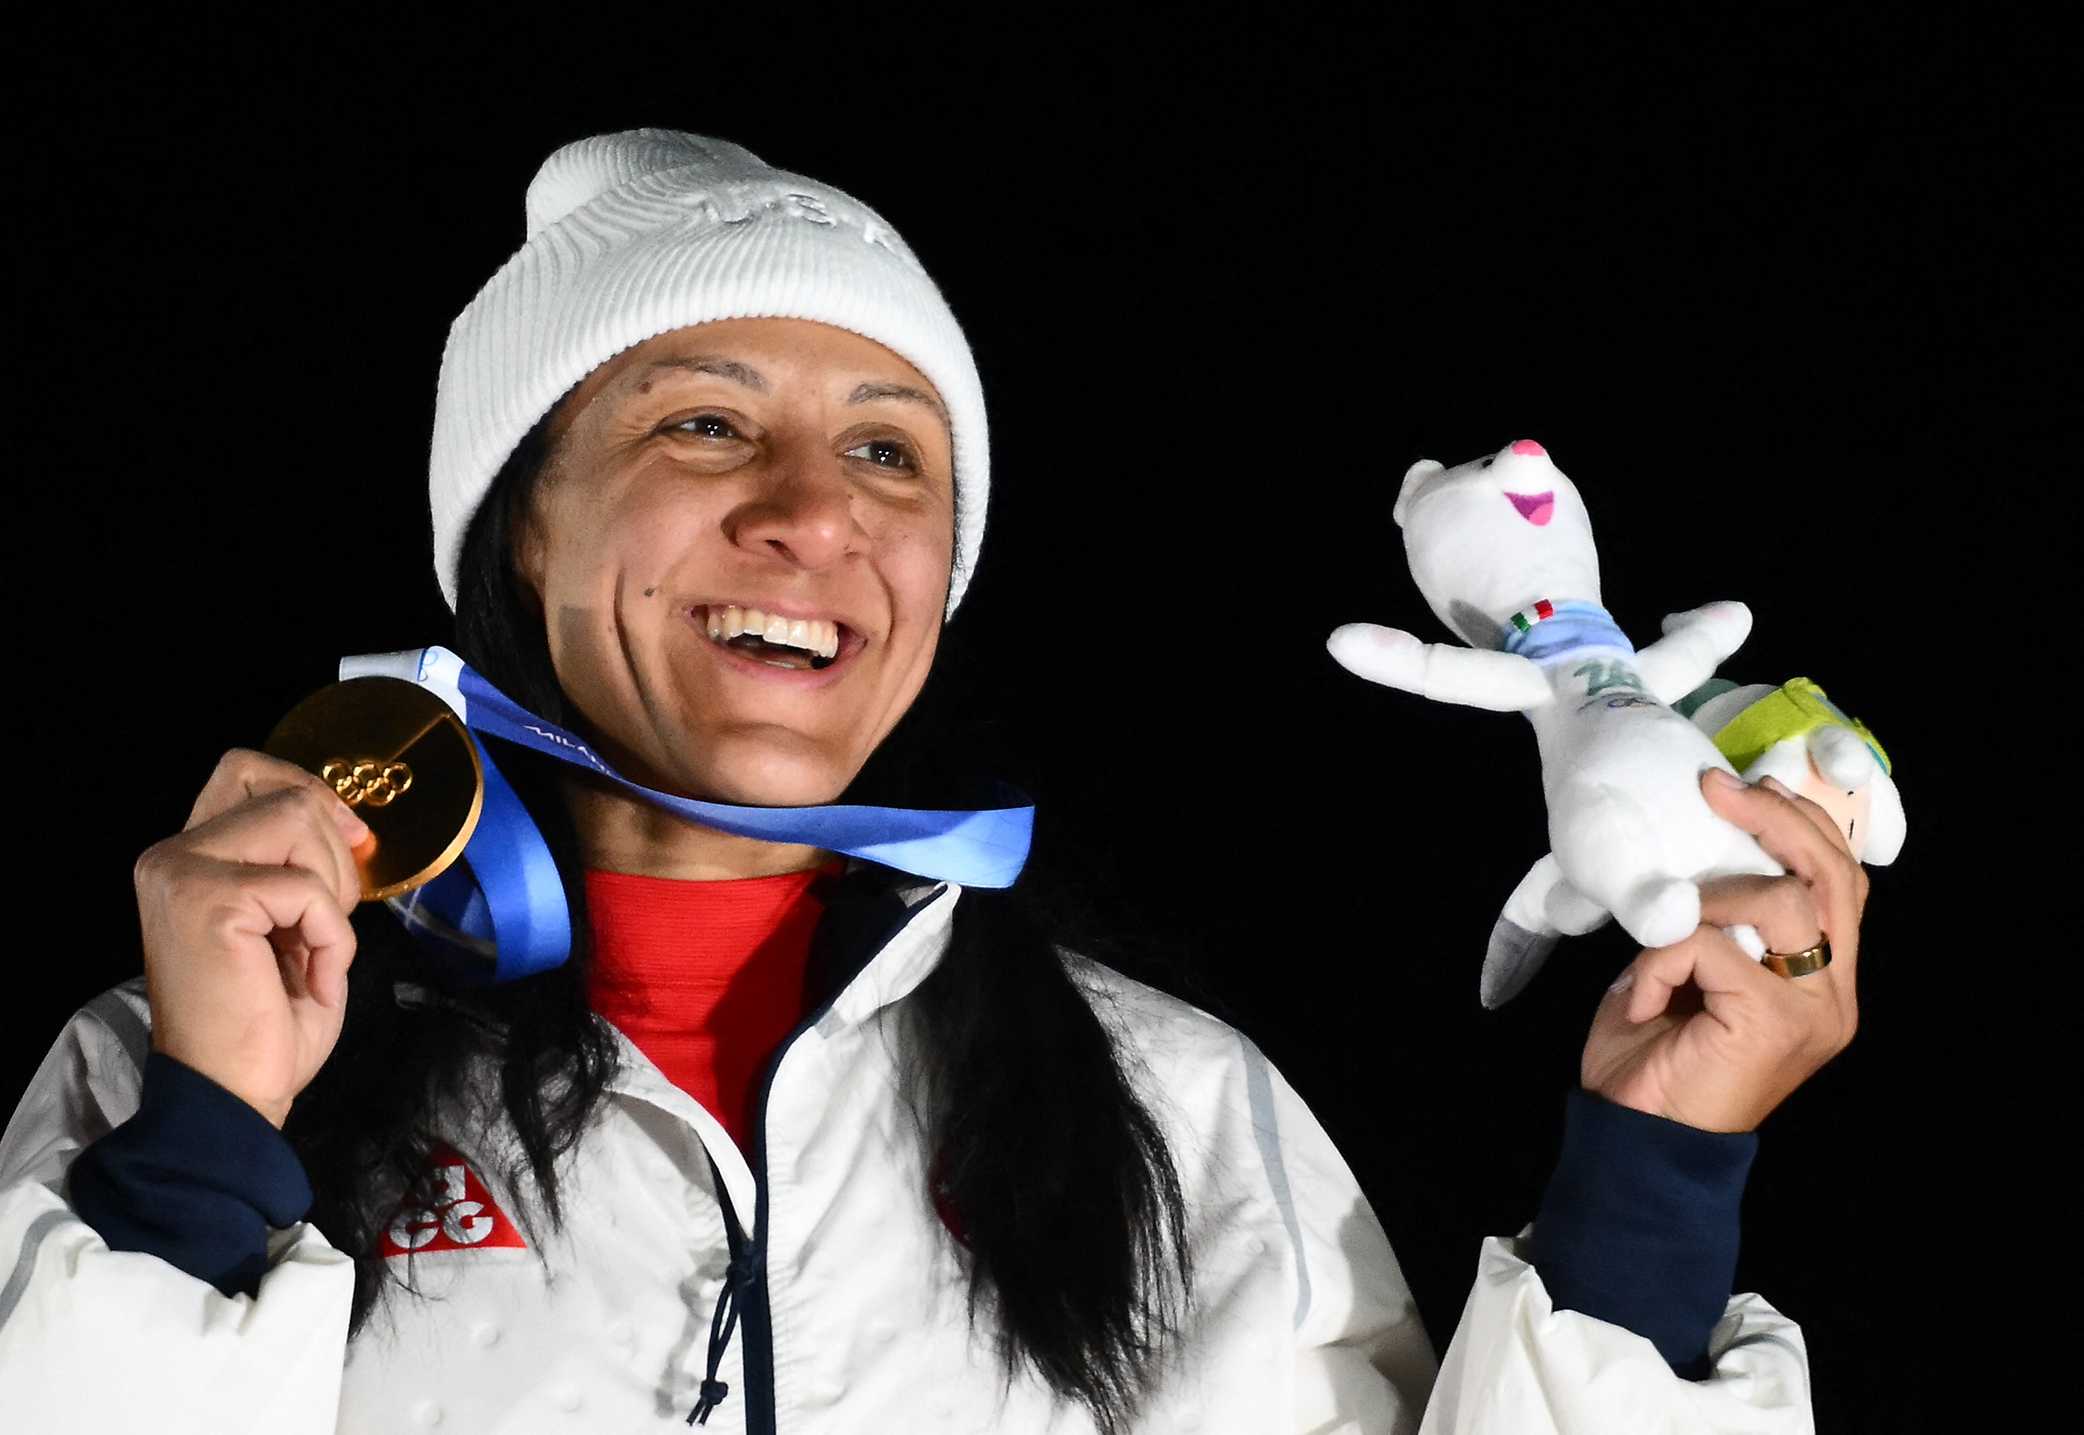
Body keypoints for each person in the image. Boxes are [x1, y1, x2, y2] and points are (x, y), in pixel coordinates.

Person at [0, 129, 1864, 1433]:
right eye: (705, 421)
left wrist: (1655, 1171)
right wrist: (212, 1134)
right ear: (516, 543)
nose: (813, 514)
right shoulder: (174, 1071)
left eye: (891, 455)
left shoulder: (1175, 1109)